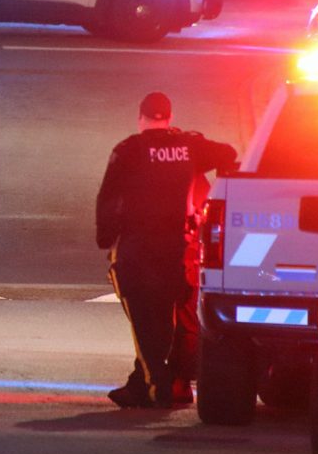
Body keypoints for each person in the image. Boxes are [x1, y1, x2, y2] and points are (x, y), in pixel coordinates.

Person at [96, 92, 237, 409]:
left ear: (141, 118)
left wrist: (105, 238)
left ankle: (155, 385)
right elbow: (229, 153)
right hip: (178, 248)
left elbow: (108, 196)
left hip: (139, 247)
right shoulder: (188, 147)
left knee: (145, 318)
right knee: (172, 317)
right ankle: (160, 382)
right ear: (170, 118)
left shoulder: (129, 150)